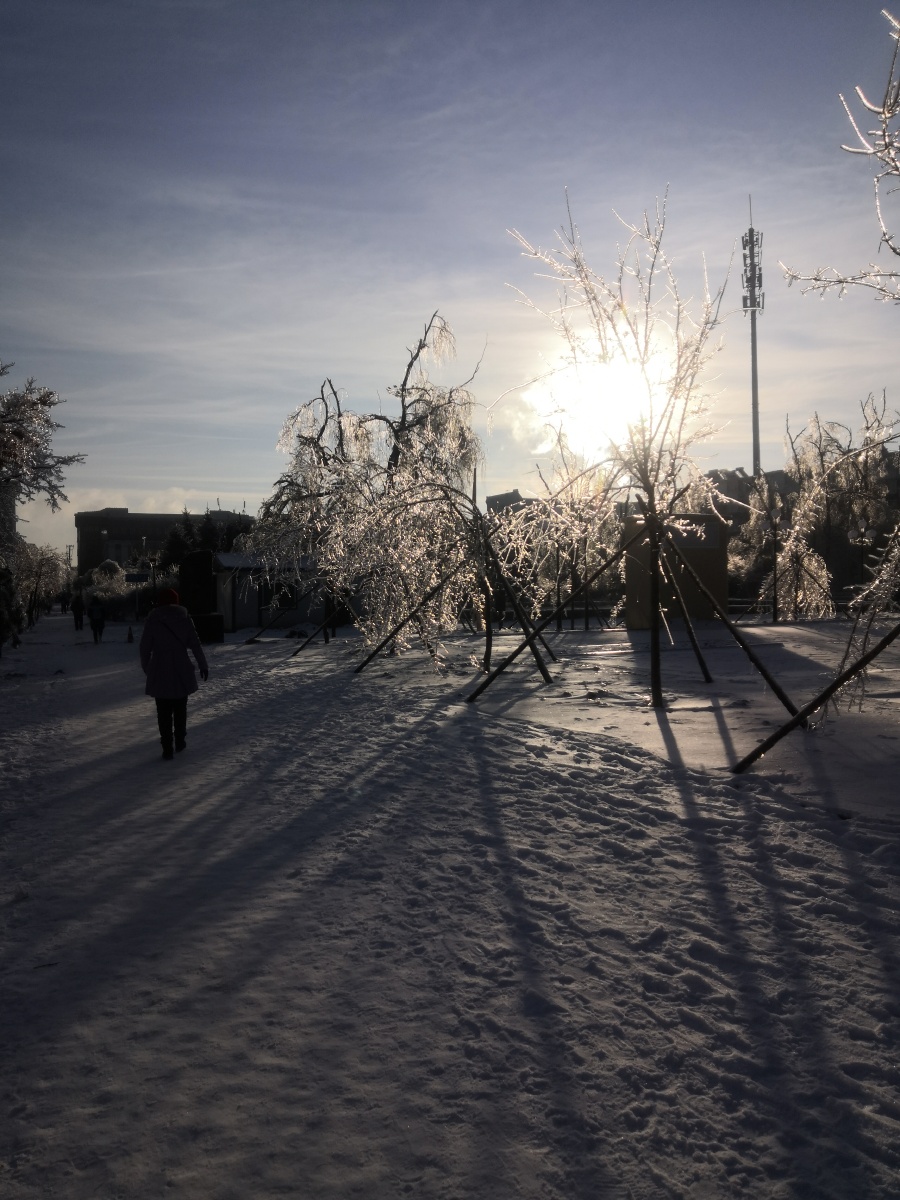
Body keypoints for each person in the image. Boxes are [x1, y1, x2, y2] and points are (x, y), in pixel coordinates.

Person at [140, 588, 209, 760]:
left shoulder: (153, 619)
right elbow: (195, 644)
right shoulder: (184, 618)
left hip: (159, 668)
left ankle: (166, 747)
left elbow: (144, 647)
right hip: (181, 668)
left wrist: (147, 668)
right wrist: (203, 665)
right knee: (180, 708)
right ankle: (180, 740)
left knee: (163, 711)